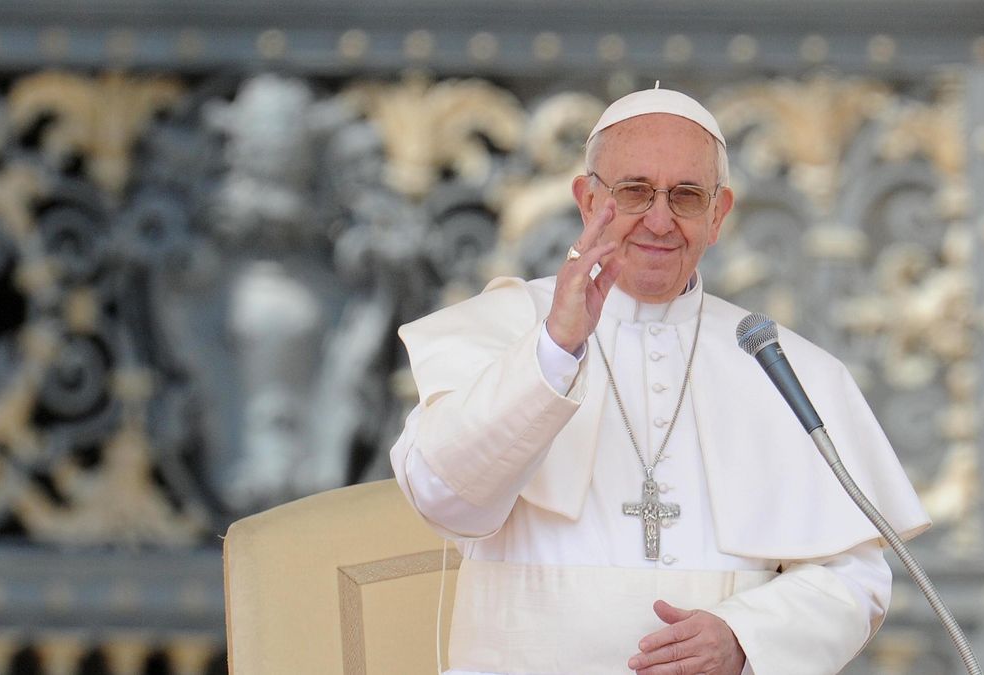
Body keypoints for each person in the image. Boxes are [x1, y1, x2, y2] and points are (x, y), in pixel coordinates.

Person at [390, 85, 930, 675]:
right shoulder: (500, 330)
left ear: (719, 215)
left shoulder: (782, 364)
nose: (659, 219)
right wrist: (555, 348)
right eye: (634, 191)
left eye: (687, 196)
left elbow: (852, 575)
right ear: (586, 199)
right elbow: (444, 499)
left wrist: (746, 638)